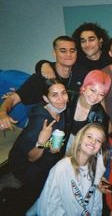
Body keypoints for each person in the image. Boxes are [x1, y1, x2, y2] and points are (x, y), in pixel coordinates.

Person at [3, 79, 68, 215]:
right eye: (54, 95)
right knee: (21, 204)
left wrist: (52, 148)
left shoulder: (59, 112)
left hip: (43, 167)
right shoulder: (39, 123)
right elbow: (31, 157)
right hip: (26, 170)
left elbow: (54, 144)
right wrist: (41, 143)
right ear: (46, 98)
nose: (61, 99)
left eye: (63, 93)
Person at [0, 36, 86, 131]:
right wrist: (2, 113)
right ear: (54, 53)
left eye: (72, 50)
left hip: (66, 125)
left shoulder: (80, 73)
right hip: (41, 126)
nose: (68, 54)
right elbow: (13, 98)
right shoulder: (42, 77)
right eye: (63, 51)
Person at [35, 123, 108, 216]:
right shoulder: (62, 168)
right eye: (89, 136)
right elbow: (49, 205)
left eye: (98, 140)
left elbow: (96, 206)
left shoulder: (96, 172)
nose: (93, 142)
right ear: (80, 139)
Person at [37, 22, 111, 78]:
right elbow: (57, 64)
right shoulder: (76, 59)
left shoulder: (111, 57)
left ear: (100, 40)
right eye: (83, 41)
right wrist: (44, 65)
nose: (87, 44)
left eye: (91, 40)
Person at [65, 69, 111, 152]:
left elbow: (98, 146)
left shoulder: (100, 116)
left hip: (81, 150)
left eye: (101, 94)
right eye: (93, 90)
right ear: (84, 86)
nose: (95, 97)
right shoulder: (67, 98)